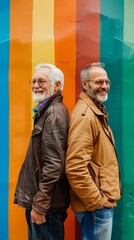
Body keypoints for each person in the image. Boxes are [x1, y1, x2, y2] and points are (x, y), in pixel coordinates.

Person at [65, 62, 121, 240]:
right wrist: (97, 202)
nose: (104, 86)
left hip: (99, 203)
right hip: (95, 206)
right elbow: (75, 167)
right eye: (98, 82)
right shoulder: (85, 116)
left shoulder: (95, 111)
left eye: (107, 82)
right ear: (84, 84)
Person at [14, 63, 70, 240]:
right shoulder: (47, 112)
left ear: (57, 85)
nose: (36, 85)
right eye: (33, 81)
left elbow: (54, 165)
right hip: (45, 205)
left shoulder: (53, 114)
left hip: (47, 208)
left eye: (42, 81)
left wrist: (39, 205)